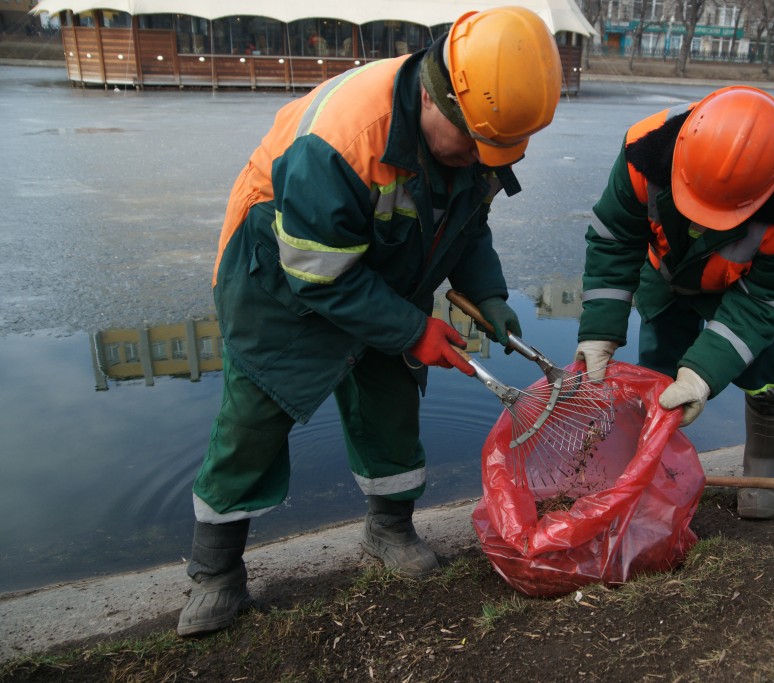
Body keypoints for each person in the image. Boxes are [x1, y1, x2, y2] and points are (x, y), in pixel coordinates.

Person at [177, 6, 562, 638]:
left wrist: (487, 294)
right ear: (439, 101)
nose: (477, 159)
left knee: (390, 402)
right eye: (472, 145)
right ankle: (216, 574)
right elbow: (319, 272)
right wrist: (413, 329)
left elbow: (468, 225)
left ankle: (389, 530)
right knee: (252, 422)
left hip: (383, 271)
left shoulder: (479, 133)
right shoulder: (338, 141)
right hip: (280, 276)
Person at [574, 85, 774, 521]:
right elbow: (615, 239)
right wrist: (599, 329)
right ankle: (649, 489)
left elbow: (765, 304)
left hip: (743, 292)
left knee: (769, 376)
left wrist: (703, 375)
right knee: (656, 385)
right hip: (667, 277)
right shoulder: (645, 147)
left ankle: (764, 483)